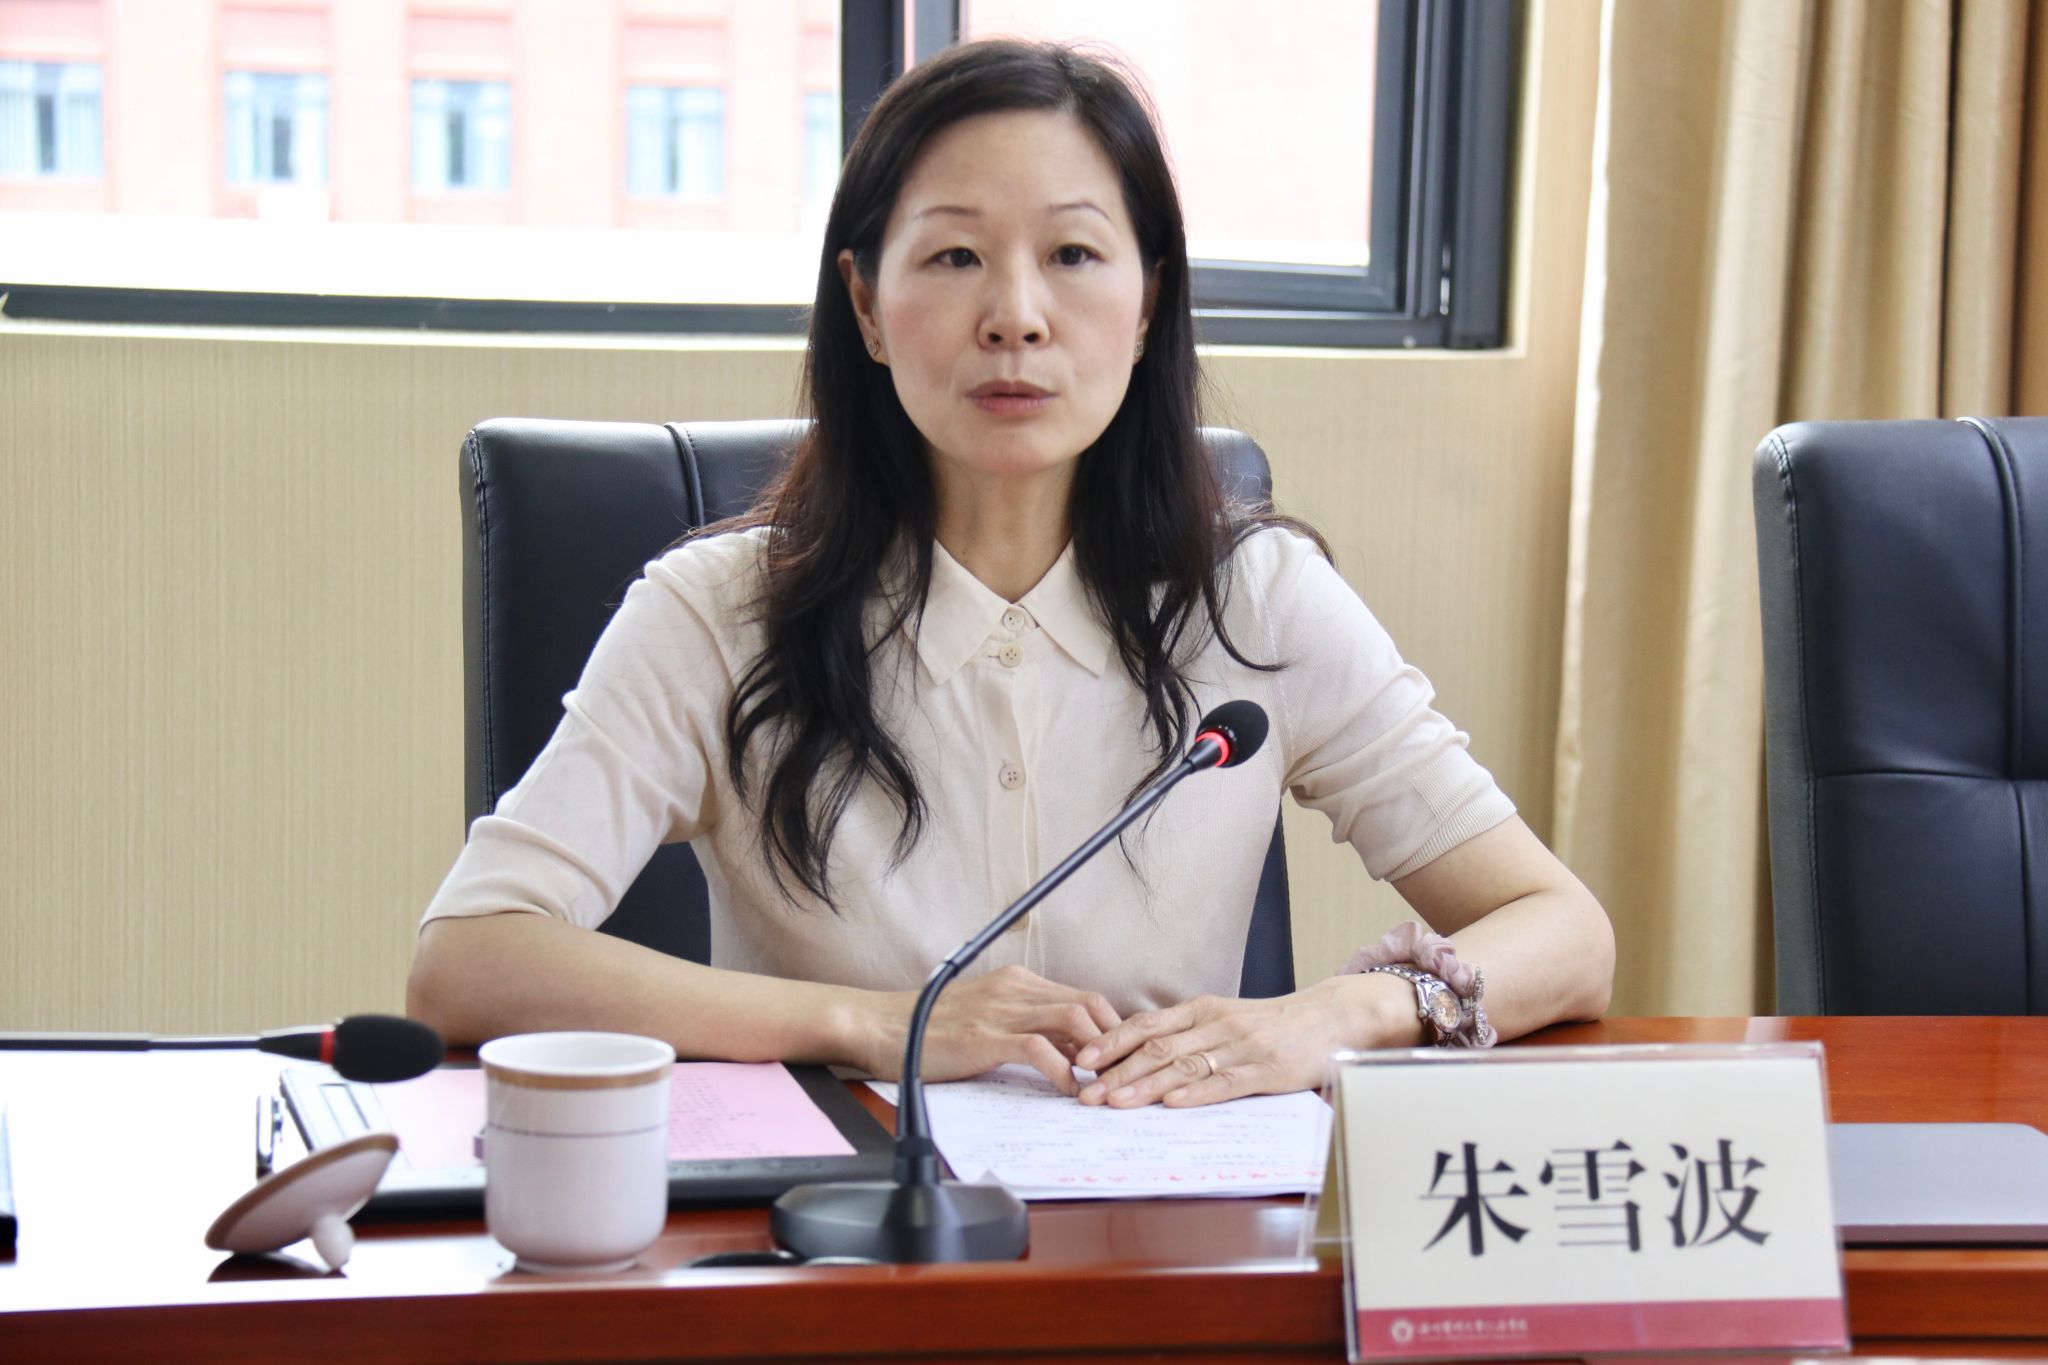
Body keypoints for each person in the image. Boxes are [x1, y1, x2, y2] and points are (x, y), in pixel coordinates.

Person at [408, 38, 1613, 1109]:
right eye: (952, 257)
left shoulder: (1256, 604)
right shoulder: (720, 616)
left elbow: (1563, 933)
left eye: (1074, 252)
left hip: (1162, 1234)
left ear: (1147, 302)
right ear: (864, 305)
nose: (1016, 316)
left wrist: (1333, 1017)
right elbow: (468, 958)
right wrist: (876, 1024)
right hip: (843, 1235)